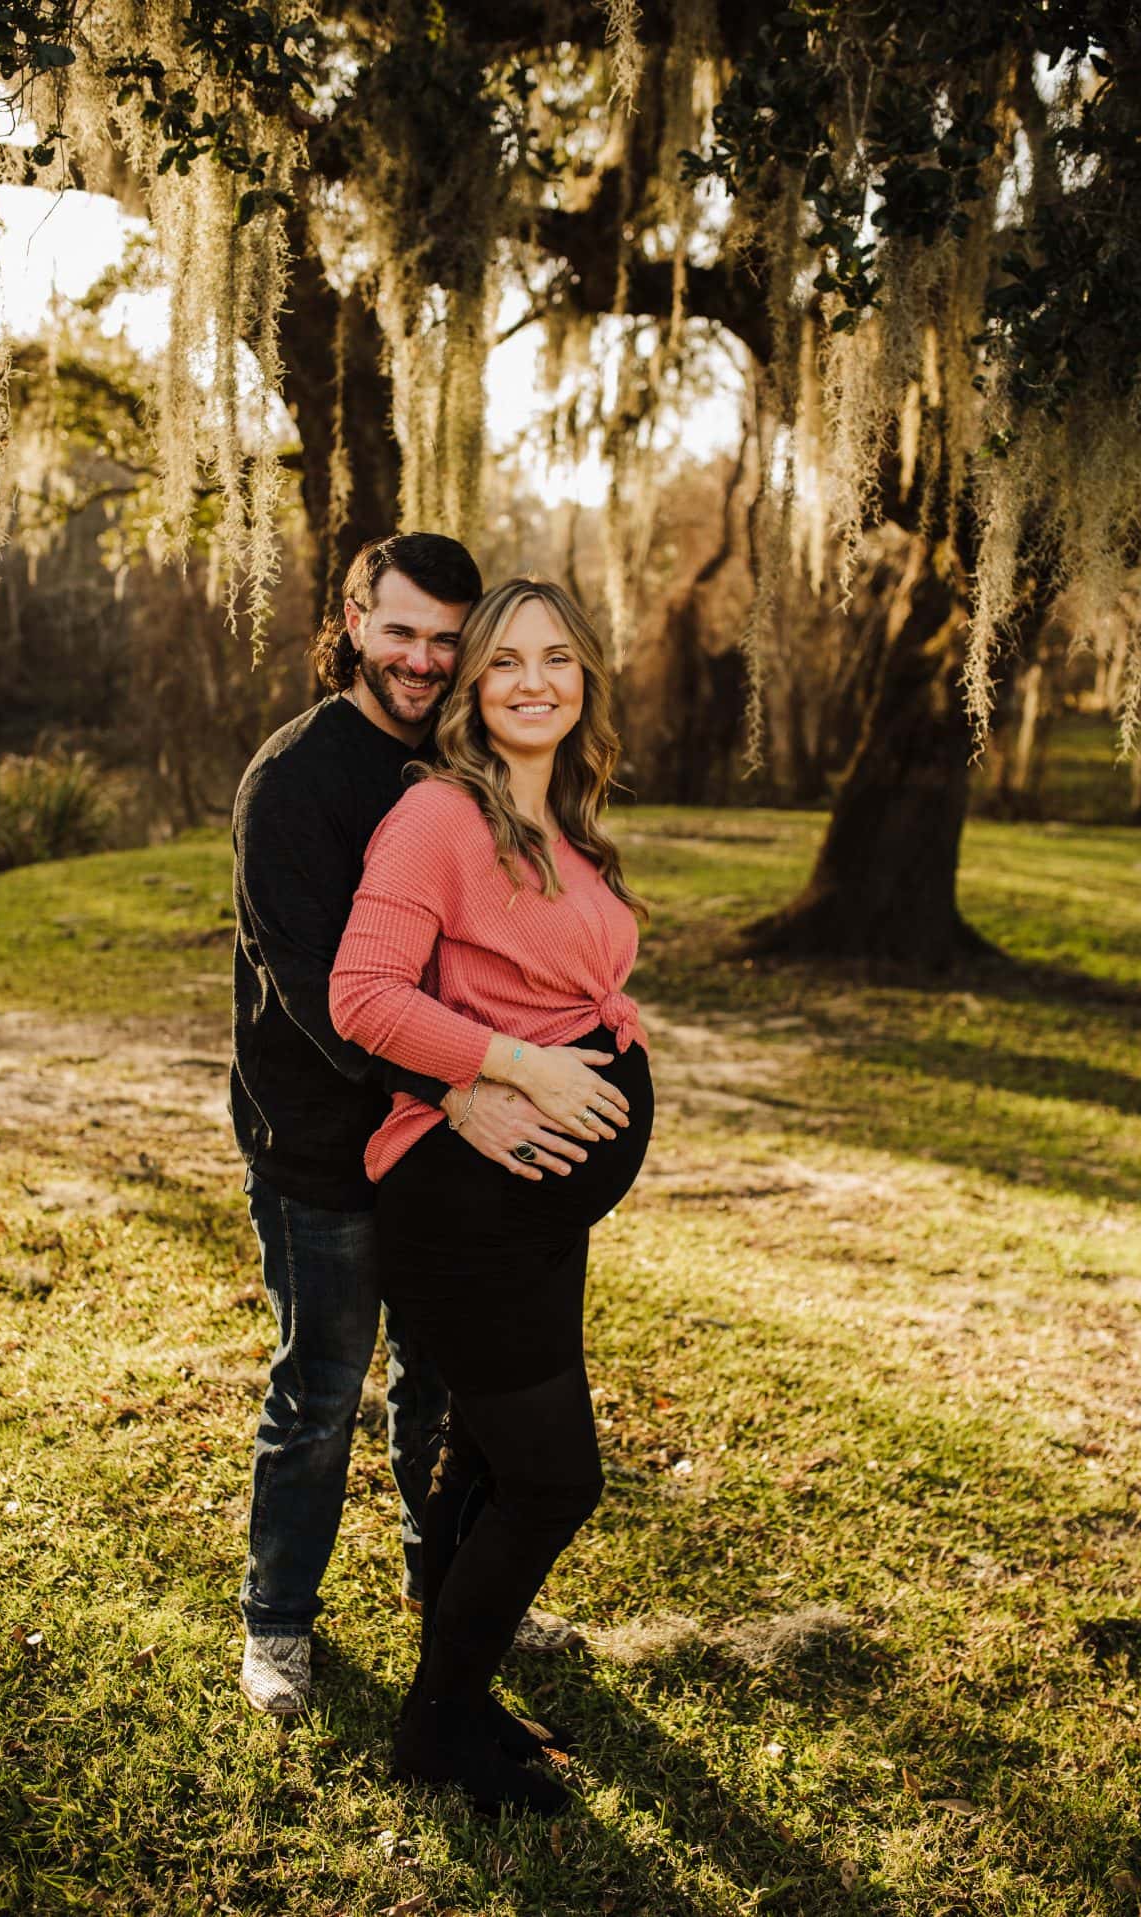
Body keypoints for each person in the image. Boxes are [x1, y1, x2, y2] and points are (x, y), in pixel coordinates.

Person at [232, 533, 596, 1719]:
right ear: (351, 620)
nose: (425, 659)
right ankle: (279, 1624)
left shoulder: (461, 766)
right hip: (323, 1145)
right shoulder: (292, 781)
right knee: (322, 1391)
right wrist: (457, 1090)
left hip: (449, 1158)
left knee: (443, 1391)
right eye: (401, 632)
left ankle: (448, 1589)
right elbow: (317, 991)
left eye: (449, 639)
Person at [330, 577, 653, 1816]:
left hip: (535, 1205)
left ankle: (459, 1708)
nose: (533, 681)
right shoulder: (439, 817)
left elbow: (560, 983)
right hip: (463, 1210)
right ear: (471, 688)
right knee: (553, 1479)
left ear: (584, 683)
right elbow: (363, 995)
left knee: (483, 1458)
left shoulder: (559, 815)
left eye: (557, 659)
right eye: (505, 660)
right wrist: (513, 1066)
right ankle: (434, 1732)